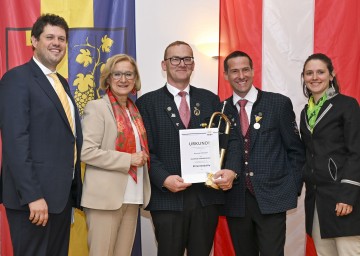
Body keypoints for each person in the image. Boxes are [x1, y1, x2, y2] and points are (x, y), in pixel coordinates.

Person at [136, 41, 239, 256]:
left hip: (206, 198)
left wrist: (230, 170)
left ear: (193, 64)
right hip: (167, 198)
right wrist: (163, 178)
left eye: (187, 59)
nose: (181, 63)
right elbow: (144, 150)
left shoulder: (210, 99)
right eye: (175, 59)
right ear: (164, 65)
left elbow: (230, 141)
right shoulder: (147, 103)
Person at [0, 14, 82, 256]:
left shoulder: (63, 83)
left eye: (62, 38)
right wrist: (33, 196)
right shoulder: (17, 79)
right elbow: (15, 142)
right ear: (34, 41)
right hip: (34, 201)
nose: (57, 43)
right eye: (50, 37)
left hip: (60, 198)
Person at [221, 50, 305, 255]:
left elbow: (296, 150)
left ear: (253, 70)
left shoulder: (278, 104)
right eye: (234, 71)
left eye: (245, 69)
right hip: (235, 201)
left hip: (272, 199)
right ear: (226, 75)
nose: (241, 76)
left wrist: (290, 188)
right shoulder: (220, 110)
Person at [80, 54, 151, 256]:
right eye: (117, 74)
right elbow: (86, 151)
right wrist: (128, 159)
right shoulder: (97, 108)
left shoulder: (134, 110)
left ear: (135, 78)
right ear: (108, 79)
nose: (123, 79)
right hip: (105, 199)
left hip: (132, 196)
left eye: (128, 74)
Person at [300, 53, 360, 256]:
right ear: (304, 77)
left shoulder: (347, 105)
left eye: (320, 72)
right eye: (309, 73)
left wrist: (348, 196)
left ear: (331, 75)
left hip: (343, 199)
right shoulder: (304, 112)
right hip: (316, 201)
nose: (314, 77)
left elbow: (356, 152)